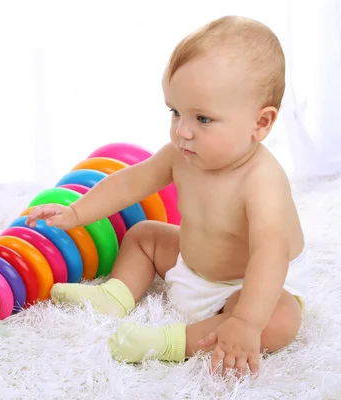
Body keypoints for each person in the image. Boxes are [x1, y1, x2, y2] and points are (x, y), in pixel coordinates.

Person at [25, 15, 308, 377]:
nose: (182, 131)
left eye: (202, 119)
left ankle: (170, 341)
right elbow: (130, 182)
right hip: (189, 264)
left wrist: (248, 323)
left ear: (261, 123)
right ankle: (117, 294)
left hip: (245, 286)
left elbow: (271, 253)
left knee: (281, 319)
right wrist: (76, 213)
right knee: (144, 234)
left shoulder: (262, 181)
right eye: (175, 112)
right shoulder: (180, 155)